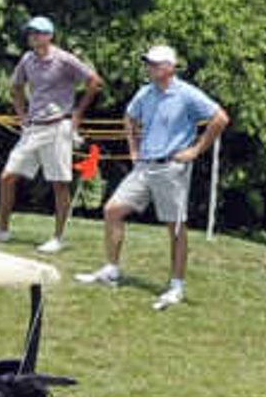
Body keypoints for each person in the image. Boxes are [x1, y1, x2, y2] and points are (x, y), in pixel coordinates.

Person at [78, 43, 228, 308]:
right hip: (145, 166)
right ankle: (112, 269)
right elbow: (129, 117)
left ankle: (176, 287)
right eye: (148, 63)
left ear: (170, 68)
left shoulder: (187, 94)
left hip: (171, 167)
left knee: (176, 227)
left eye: (155, 64)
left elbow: (220, 118)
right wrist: (133, 147)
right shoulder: (145, 93)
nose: (149, 67)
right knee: (113, 210)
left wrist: (195, 150)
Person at [0, 15, 101, 251]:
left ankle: (58, 238)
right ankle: (2, 230)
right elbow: (16, 87)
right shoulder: (27, 59)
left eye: (38, 32)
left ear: (49, 36)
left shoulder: (64, 59)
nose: (32, 36)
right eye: (30, 32)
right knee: (8, 177)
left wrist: (78, 113)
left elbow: (94, 81)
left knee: (59, 183)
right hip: (33, 127)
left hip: (58, 125)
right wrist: (22, 116)